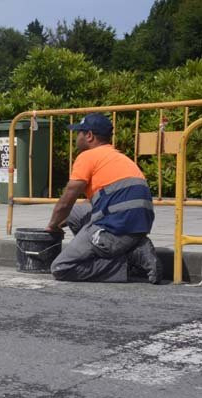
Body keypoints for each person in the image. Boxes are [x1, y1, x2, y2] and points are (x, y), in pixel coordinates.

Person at [45, 113, 162, 283]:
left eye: (79, 133)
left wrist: (52, 225)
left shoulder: (87, 157)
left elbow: (67, 199)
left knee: (61, 268)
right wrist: (63, 219)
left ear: (89, 135)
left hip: (116, 228)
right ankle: (130, 247)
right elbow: (101, 199)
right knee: (74, 214)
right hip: (139, 225)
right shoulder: (119, 158)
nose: (76, 137)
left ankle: (127, 262)